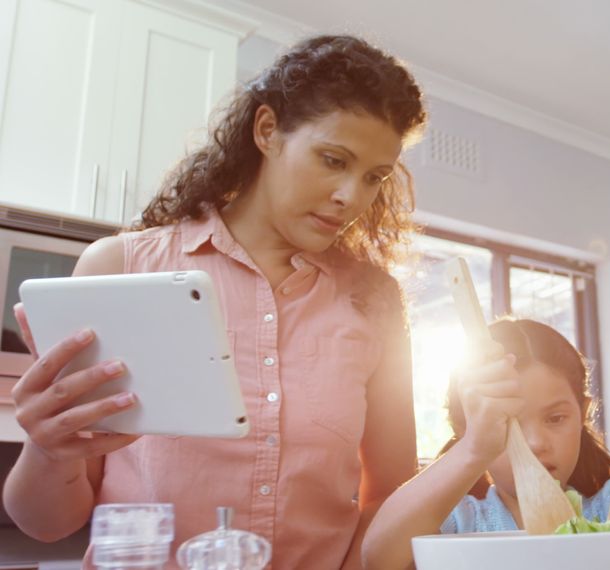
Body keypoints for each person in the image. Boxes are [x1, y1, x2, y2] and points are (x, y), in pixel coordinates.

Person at [2, 34, 427, 568]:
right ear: (267, 131)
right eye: (332, 159)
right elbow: (46, 525)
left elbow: (389, 492)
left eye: (374, 177)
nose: (352, 197)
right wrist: (46, 448)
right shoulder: (122, 268)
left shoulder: (373, 299)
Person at [361, 276, 610, 570]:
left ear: (583, 415)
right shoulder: (459, 522)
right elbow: (377, 558)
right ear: (468, 428)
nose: (535, 443)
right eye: (510, 424)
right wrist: (473, 449)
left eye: (556, 418)